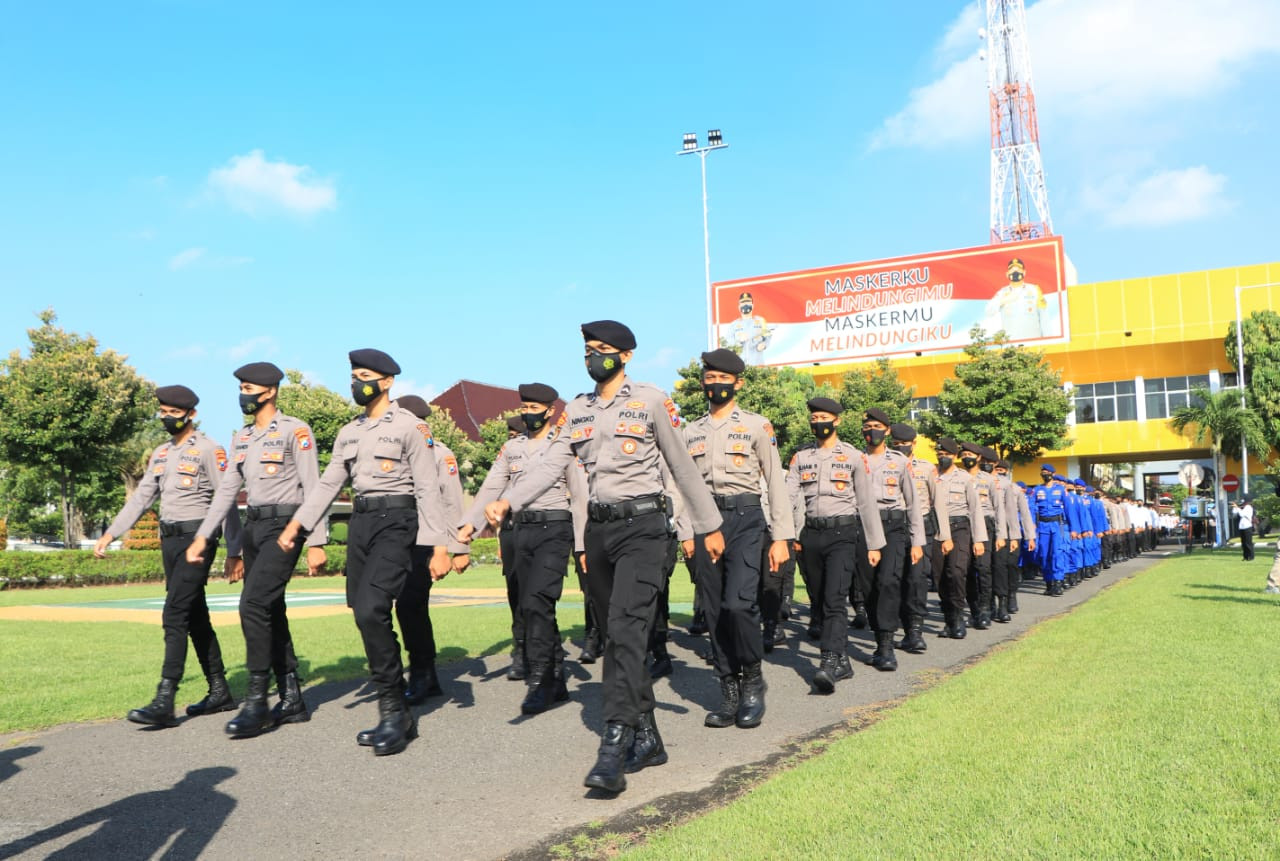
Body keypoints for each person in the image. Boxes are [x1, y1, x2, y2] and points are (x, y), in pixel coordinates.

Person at [484, 320, 724, 795]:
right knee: (618, 635)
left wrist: (708, 524)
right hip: (599, 531)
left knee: (627, 630)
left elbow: (680, 464)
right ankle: (649, 736)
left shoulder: (652, 401)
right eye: (588, 350)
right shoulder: (577, 409)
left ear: (626, 356)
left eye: (603, 350)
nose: (594, 357)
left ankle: (614, 743)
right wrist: (509, 500)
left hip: (645, 528)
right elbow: (554, 462)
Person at [276, 349, 453, 757]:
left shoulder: (411, 427)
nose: (357, 383)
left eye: (365, 376)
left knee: (373, 607)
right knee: (362, 609)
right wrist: (298, 524)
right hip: (362, 525)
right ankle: (394, 704)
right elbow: (326, 485)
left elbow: (427, 488)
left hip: (398, 522)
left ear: (388, 382)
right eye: (354, 376)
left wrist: (439, 546)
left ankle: (395, 712)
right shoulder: (348, 432)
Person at [185, 362, 326, 737]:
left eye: (248, 387)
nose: (243, 394)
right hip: (254, 528)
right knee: (270, 607)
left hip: (287, 526)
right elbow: (228, 490)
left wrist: (316, 541)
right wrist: (205, 534)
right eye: (241, 387)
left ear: (270, 391)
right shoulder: (242, 437)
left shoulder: (296, 430)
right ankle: (292, 697)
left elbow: (314, 486)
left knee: (253, 604)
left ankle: (257, 702)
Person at [94, 385, 238, 727]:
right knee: (194, 614)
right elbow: (142, 497)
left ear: (191, 415)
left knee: (174, 613)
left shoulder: (208, 449)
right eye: (162, 412)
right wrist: (111, 533)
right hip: (170, 539)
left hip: (197, 538)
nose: (166, 417)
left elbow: (227, 498)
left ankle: (165, 697)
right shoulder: (160, 454)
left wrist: (236, 550)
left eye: (173, 412)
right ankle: (220, 690)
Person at [681, 348, 792, 728]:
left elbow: (775, 482)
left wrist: (781, 537)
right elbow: (683, 485)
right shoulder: (690, 431)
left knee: (738, 605)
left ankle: (752, 680)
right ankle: (728, 688)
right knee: (713, 611)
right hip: (704, 522)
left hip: (746, 519)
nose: (715, 385)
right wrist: (685, 532)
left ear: (737, 383)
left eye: (722, 379)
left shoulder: (758, 426)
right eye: (709, 378)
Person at [460, 383, 586, 715]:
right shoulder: (511, 449)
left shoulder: (564, 446)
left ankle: (541, 681)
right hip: (521, 530)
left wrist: (583, 543)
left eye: (535, 408)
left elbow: (581, 496)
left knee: (536, 603)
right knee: (530, 606)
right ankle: (556, 678)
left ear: (550, 411)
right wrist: (468, 528)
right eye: (525, 408)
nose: (528, 414)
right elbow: (490, 487)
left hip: (555, 528)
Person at [786, 397, 885, 692]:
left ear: (837, 421)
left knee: (834, 598)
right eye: (814, 418)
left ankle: (829, 662)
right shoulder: (800, 458)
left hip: (843, 534)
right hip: (811, 535)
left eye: (824, 418)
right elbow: (790, 498)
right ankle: (843, 659)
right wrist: (787, 534)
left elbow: (866, 503)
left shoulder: (854, 457)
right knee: (819, 598)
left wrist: (874, 544)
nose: (819, 423)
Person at [396, 395, 471, 705]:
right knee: (403, 606)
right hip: (396, 537)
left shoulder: (440, 454)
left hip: (427, 540)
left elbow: (453, 501)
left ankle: (423, 674)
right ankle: (423, 674)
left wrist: (459, 548)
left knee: (411, 605)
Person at [858, 409, 924, 672]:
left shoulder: (899, 461)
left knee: (888, 581)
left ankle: (885, 645)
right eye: (867, 425)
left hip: (893, 526)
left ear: (887, 431)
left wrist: (917, 540)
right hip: (862, 526)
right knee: (868, 587)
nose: (871, 430)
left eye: (877, 426)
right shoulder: (854, 459)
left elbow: (913, 503)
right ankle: (879, 633)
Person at [895, 423, 950, 653]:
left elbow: (939, 502)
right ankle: (900, 625)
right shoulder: (885, 465)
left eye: (905, 444)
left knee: (917, 580)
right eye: (896, 444)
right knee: (894, 580)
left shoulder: (927, 468)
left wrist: (944, 535)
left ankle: (915, 632)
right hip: (895, 528)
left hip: (922, 529)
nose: (901, 448)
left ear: (914, 444)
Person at [933, 438, 987, 638]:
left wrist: (979, 539)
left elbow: (975, 510)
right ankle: (948, 619)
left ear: (954, 456)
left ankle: (958, 619)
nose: (942, 458)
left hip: (960, 528)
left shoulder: (964, 478)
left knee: (956, 572)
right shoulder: (932, 475)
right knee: (938, 576)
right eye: (939, 455)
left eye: (946, 455)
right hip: (937, 529)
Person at [721, 291, 772, 363]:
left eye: (748, 302)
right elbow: (727, 343)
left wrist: (764, 344)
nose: (745, 304)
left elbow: (768, 336)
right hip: (740, 365)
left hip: (757, 364)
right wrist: (739, 341)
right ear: (739, 307)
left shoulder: (760, 321)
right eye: (743, 302)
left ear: (752, 305)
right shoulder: (734, 325)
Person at [1235, 497, 1256, 562]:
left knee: (1248, 543)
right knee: (1243, 543)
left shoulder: (1248, 507)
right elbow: (1234, 512)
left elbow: (1242, 514)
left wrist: (1237, 507)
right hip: (1242, 527)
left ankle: (1251, 556)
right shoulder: (1243, 507)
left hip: (1247, 526)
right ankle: (1245, 556)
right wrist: (1235, 507)